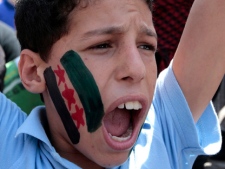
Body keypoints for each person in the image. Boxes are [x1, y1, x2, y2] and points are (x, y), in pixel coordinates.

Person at [0, 0, 224, 169]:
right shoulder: (10, 147)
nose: (137, 70)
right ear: (33, 72)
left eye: (146, 46)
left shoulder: (162, 134)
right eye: (102, 45)